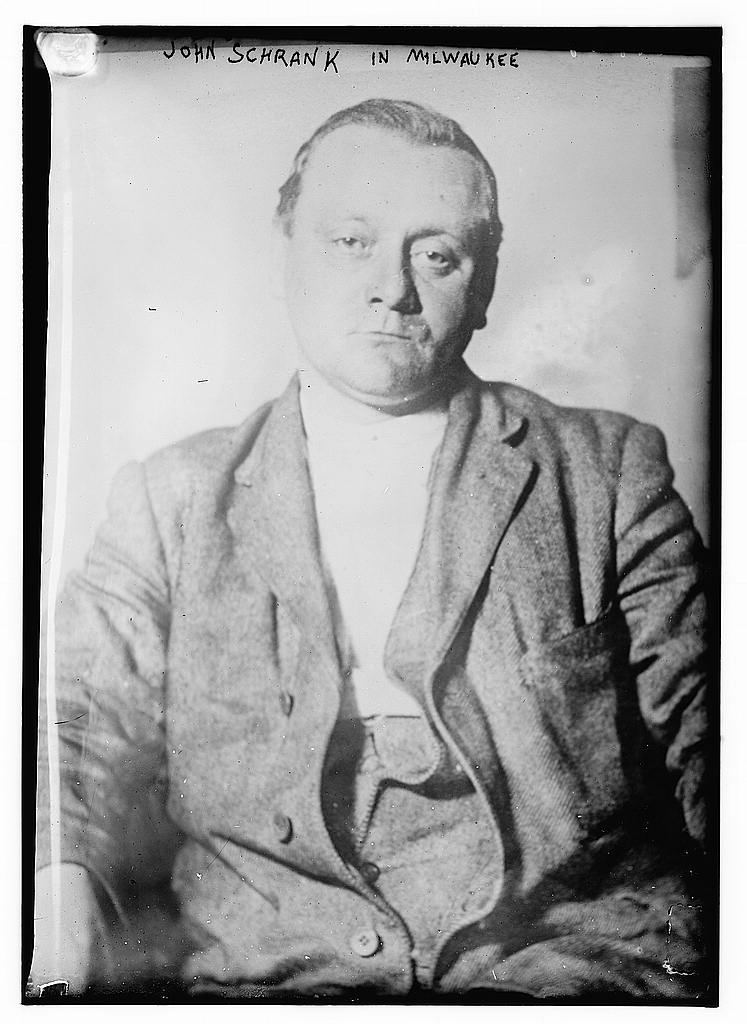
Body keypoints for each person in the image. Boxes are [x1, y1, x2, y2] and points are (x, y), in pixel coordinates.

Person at [31, 98, 711, 1001]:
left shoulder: (606, 473)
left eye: (436, 256)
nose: (391, 287)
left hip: (567, 970)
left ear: (484, 287)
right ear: (284, 252)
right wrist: (54, 914)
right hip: (262, 980)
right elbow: (69, 736)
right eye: (351, 241)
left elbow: (712, 733)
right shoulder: (171, 499)